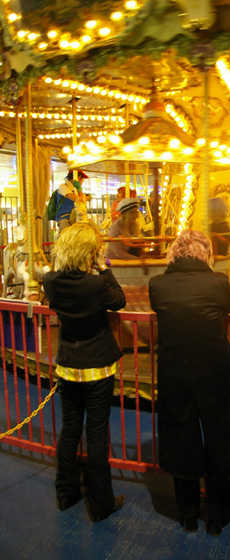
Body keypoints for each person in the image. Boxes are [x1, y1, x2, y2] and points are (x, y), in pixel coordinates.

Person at [149, 229, 230, 536]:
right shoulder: (217, 282)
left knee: (180, 436)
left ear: (174, 254)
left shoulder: (158, 285)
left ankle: (188, 513)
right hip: (214, 371)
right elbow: (229, 307)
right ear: (205, 254)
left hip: (175, 372)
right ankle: (218, 514)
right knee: (222, 435)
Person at [43, 222, 126, 522]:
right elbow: (119, 300)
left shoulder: (51, 281)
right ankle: (100, 503)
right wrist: (104, 268)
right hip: (97, 367)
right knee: (97, 435)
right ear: (88, 253)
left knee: (69, 430)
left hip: (68, 365)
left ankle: (66, 494)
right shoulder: (96, 284)